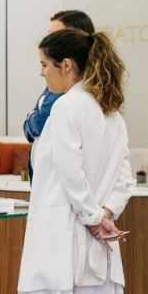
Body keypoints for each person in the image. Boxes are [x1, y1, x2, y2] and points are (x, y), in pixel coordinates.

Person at [5, 28, 135, 294]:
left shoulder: (66, 108)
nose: (41, 73)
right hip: (98, 239)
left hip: (63, 233)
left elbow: (68, 170)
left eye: (44, 65)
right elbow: (125, 178)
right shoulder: (112, 113)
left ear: (67, 65)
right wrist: (105, 213)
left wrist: (93, 216)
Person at [22, 10, 95, 178]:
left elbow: (38, 123)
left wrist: (32, 117)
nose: (49, 40)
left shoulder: (65, 101)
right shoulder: (59, 89)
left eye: (54, 35)